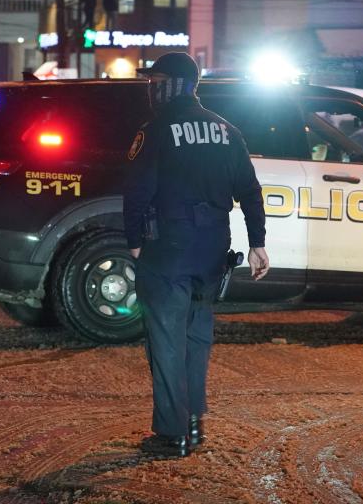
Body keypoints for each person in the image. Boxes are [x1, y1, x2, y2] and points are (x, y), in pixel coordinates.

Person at [123, 52, 270, 458]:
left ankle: (172, 435)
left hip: (168, 246)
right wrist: (257, 243)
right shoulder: (228, 130)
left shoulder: (155, 129)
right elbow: (250, 192)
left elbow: (137, 189)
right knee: (196, 338)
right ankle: (192, 423)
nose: (151, 88)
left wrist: (134, 239)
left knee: (167, 339)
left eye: (156, 81)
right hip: (212, 247)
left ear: (174, 84)